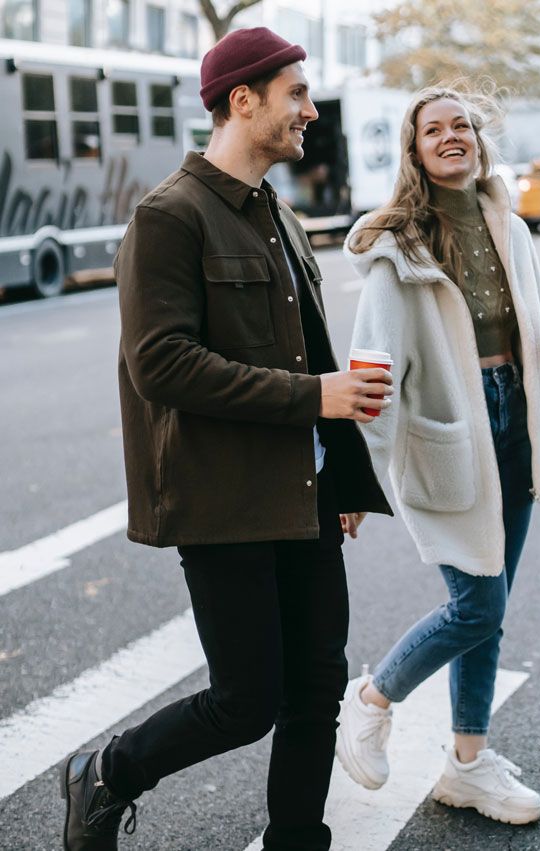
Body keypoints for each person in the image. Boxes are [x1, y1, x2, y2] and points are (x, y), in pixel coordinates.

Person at [58, 27, 393, 851]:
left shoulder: (277, 210)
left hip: (304, 491)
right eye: (297, 96)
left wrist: (338, 477)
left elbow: (306, 349)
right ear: (243, 101)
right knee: (246, 700)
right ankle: (110, 772)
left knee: (316, 690)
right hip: (224, 499)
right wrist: (316, 398)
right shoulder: (169, 216)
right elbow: (162, 364)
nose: (311, 111)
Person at [335, 82, 540, 825]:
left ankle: (468, 763)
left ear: (478, 141)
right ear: (415, 153)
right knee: (476, 601)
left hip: (515, 417)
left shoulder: (508, 223)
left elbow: (520, 324)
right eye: (433, 130)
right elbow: (373, 366)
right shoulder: (398, 248)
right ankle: (371, 699)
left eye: (462, 126)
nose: (451, 136)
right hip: (451, 429)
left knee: (492, 606)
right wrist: (354, 478)